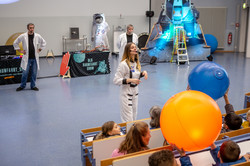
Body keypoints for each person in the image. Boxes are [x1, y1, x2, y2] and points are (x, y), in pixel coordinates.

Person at [113, 42, 148, 122]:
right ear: (128, 51)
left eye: (135, 47)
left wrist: (142, 73)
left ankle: (133, 133)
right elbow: (116, 80)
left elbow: (135, 75)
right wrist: (130, 80)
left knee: (134, 115)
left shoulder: (136, 63)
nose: (135, 49)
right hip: (126, 93)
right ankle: (128, 133)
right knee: (128, 118)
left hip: (135, 92)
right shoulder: (123, 64)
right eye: (132, 47)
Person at [14, 23, 46, 91]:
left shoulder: (37, 36)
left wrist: (40, 49)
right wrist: (20, 51)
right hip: (27, 58)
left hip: (34, 58)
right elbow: (15, 43)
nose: (32, 29)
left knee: (34, 73)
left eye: (32, 28)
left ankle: (33, 86)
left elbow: (44, 42)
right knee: (25, 73)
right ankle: (22, 86)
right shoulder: (23, 36)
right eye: (30, 28)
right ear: (28, 28)